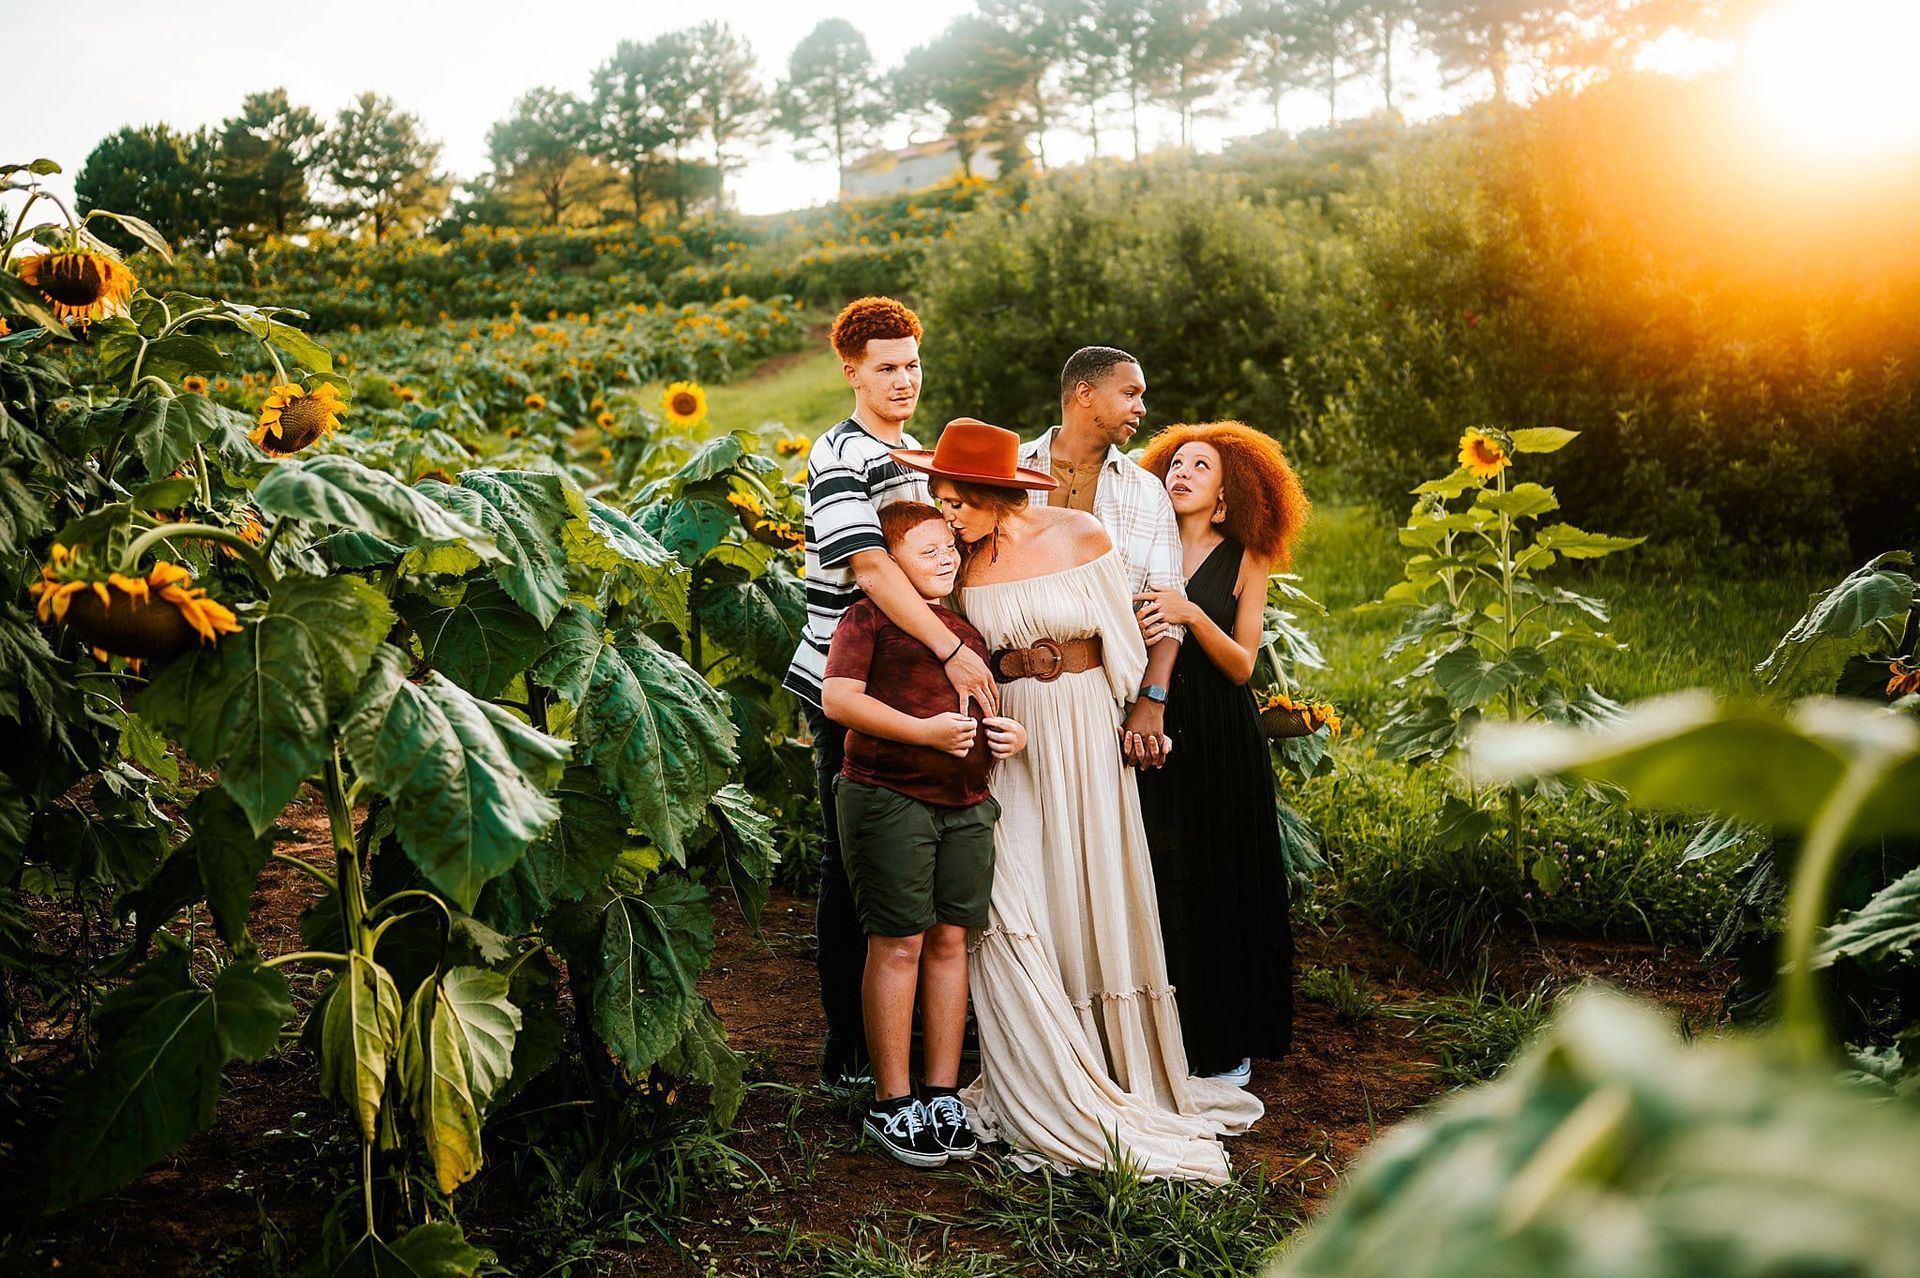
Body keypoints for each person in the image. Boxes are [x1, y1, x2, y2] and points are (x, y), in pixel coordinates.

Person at [895, 417, 1263, 1184]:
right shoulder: (953, 567)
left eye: (959, 502)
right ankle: (1038, 1066)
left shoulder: (1085, 535)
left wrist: (1141, 710)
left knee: (1089, 881)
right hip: (1010, 737)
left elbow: (1125, 641)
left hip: (1088, 726)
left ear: (997, 494)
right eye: (942, 501)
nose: (948, 516)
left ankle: (1112, 1061)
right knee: (1011, 893)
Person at [782, 297, 1000, 1096]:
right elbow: (873, 569)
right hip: (849, 683)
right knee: (857, 866)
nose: (904, 380)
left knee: (922, 855)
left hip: (917, 688)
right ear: (851, 372)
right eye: (886, 368)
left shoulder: (914, 454)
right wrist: (951, 649)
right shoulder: (837, 454)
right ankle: (851, 1052)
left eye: (912, 364)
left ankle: (911, 1038)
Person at [822, 502, 1029, 1168]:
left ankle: (941, 1092)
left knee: (950, 940)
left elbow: (993, 703)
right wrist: (924, 733)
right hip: (889, 796)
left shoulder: (965, 628)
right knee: (899, 942)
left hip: (966, 802)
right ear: (886, 563)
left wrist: (1012, 736)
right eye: (926, 550)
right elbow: (839, 701)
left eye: (950, 548)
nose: (946, 559)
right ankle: (892, 1099)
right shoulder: (869, 618)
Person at [1134, 423, 1311, 1086]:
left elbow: (1241, 665)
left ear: (1226, 492)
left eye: (1200, 467)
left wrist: (1190, 613)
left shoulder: (1246, 558)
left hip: (1217, 730)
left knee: (1217, 872)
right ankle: (1159, 1032)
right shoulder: (1140, 545)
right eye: (1176, 462)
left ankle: (1222, 1040)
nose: (1181, 473)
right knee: (1156, 872)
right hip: (1148, 725)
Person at [1016, 346, 1184, 771]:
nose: (1141, 408)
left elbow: (1167, 611)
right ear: (1085, 393)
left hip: (1105, 698)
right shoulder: (1009, 471)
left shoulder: (1148, 492)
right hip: (1010, 695)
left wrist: (1152, 700)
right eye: (1130, 394)